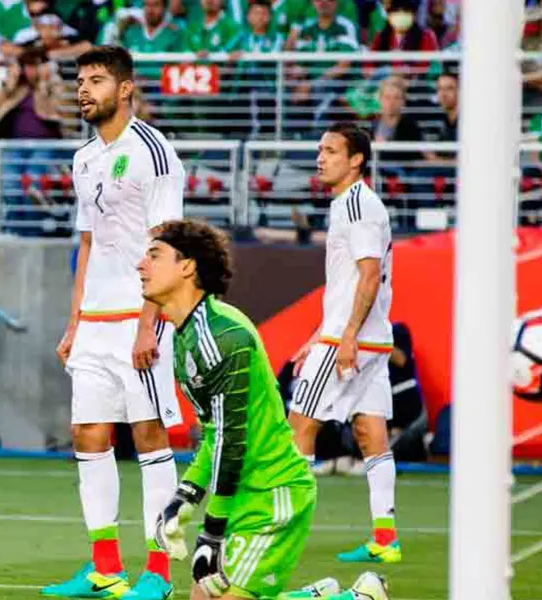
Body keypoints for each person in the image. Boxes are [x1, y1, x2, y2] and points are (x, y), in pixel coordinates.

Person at [139, 219, 389, 600]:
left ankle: (353, 598)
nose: (140, 265)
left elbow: (232, 440)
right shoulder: (187, 335)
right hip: (244, 493)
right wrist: (184, 498)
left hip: (273, 494)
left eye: (154, 256)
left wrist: (211, 532)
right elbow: (214, 434)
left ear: (187, 267)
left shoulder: (223, 337)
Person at [44, 45, 185, 600]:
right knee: (88, 435)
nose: (84, 90)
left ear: (125, 89)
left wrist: (150, 323)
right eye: (81, 80)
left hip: (137, 317)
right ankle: (105, 567)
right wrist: (74, 320)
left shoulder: (154, 150)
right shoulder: (84, 158)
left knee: (149, 437)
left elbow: (167, 241)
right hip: (96, 321)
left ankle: (159, 573)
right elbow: (87, 244)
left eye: (97, 80)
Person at [287, 122, 400, 564]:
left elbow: (370, 275)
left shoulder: (356, 205)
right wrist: (317, 335)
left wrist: (343, 337)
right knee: (371, 433)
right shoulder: (352, 204)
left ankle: (285, 531)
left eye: (331, 150)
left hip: (350, 339)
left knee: (299, 428)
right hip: (370, 338)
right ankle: (386, 538)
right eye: (320, 149)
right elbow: (350, 282)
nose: (321, 157)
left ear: (356, 160)